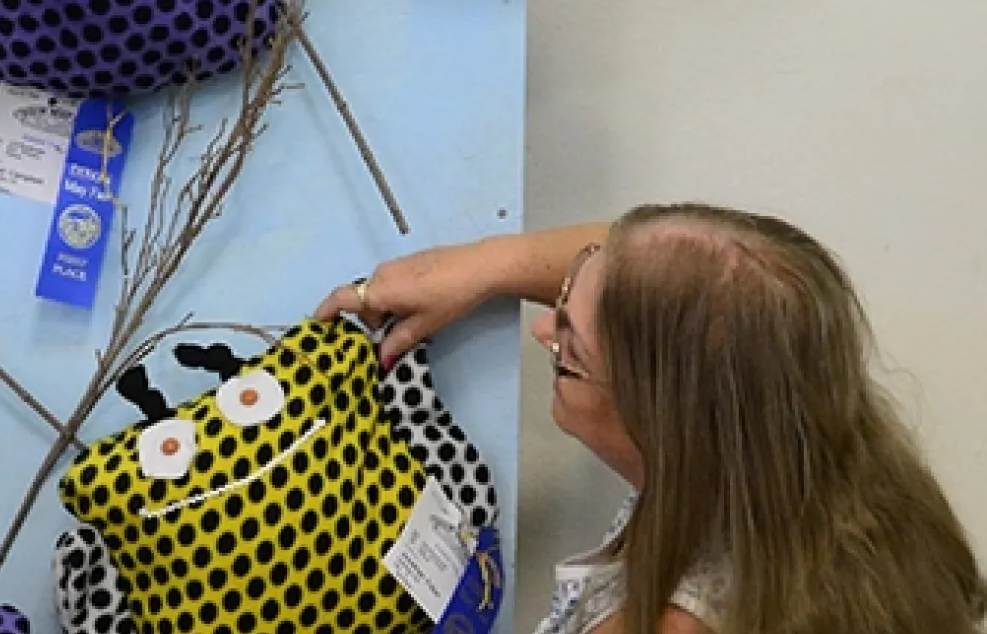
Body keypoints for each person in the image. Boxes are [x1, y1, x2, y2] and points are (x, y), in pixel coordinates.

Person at [315, 203, 986, 634]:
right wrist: (481, 266)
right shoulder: (795, 411)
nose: (543, 328)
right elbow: (647, 263)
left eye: (569, 350)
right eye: (567, 290)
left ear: (662, 419)